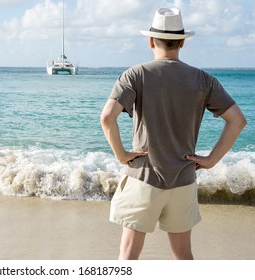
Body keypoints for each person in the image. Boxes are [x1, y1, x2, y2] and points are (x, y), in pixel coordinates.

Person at [100, 7, 246, 260]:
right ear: (182, 43)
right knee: (182, 255)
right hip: (183, 180)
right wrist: (211, 160)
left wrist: (121, 154)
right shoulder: (204, 80)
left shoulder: (135, 75)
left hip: (143, 178)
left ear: (150, 40)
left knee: (129, 255)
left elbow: (107, 117)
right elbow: (237, 121)